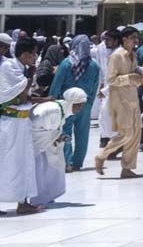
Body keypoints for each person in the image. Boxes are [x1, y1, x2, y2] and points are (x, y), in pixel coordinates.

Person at [93, 27, 143, 179]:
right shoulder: (117, 56)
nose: (136, 40)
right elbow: (111, 80)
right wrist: (129, 78)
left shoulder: (133, 55)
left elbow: (133, 74)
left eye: (137, 37)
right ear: (125, 39)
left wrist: (138, 77)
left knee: (136, 133)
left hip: (133, 97)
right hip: (120, 99)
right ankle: (102, 155)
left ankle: (127, 168)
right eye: (133, 37)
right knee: (126, 133)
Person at [0, 37, 42, 215]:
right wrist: (31, 75)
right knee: (6, 163)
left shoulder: (23, 69)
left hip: (22, 122)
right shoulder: (9, 67)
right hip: (10, 123)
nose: (35, 57)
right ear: (25, 54)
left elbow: (24, 97)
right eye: (33, 53)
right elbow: (21, 95)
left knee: (24, 163)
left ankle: (23, 202)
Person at [48, 34, 100, 171]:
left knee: (65, 132)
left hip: (67, 104)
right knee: (82, 134)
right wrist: (89, 104)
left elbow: (56, 84)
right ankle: (78, 162)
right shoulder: (94, 65)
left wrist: (52, 101)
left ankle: (67, 162)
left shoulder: (67, 63)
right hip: (85, 103)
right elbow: (95, 87)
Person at [30, 87, 88, 207]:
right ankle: (37, 200)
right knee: (39, 170)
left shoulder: (60, 109)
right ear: (71, 102)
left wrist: (56, 136)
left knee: (47, 167)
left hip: (40, 145)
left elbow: (52, 131)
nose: (79, 109)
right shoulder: (54, 110)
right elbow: (38, 127)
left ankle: (46, 196)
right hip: (35, 145)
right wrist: (56, 136)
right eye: (78, 105)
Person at [92, 30, 119, 149]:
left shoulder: (120, 54)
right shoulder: (103, 50)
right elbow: (103, 69)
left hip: (117, 90)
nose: (105, 42)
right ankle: (105, 138)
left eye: (108, 40)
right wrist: (103, 84)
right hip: (107, 88)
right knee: (104, 115)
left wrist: (106, 89)